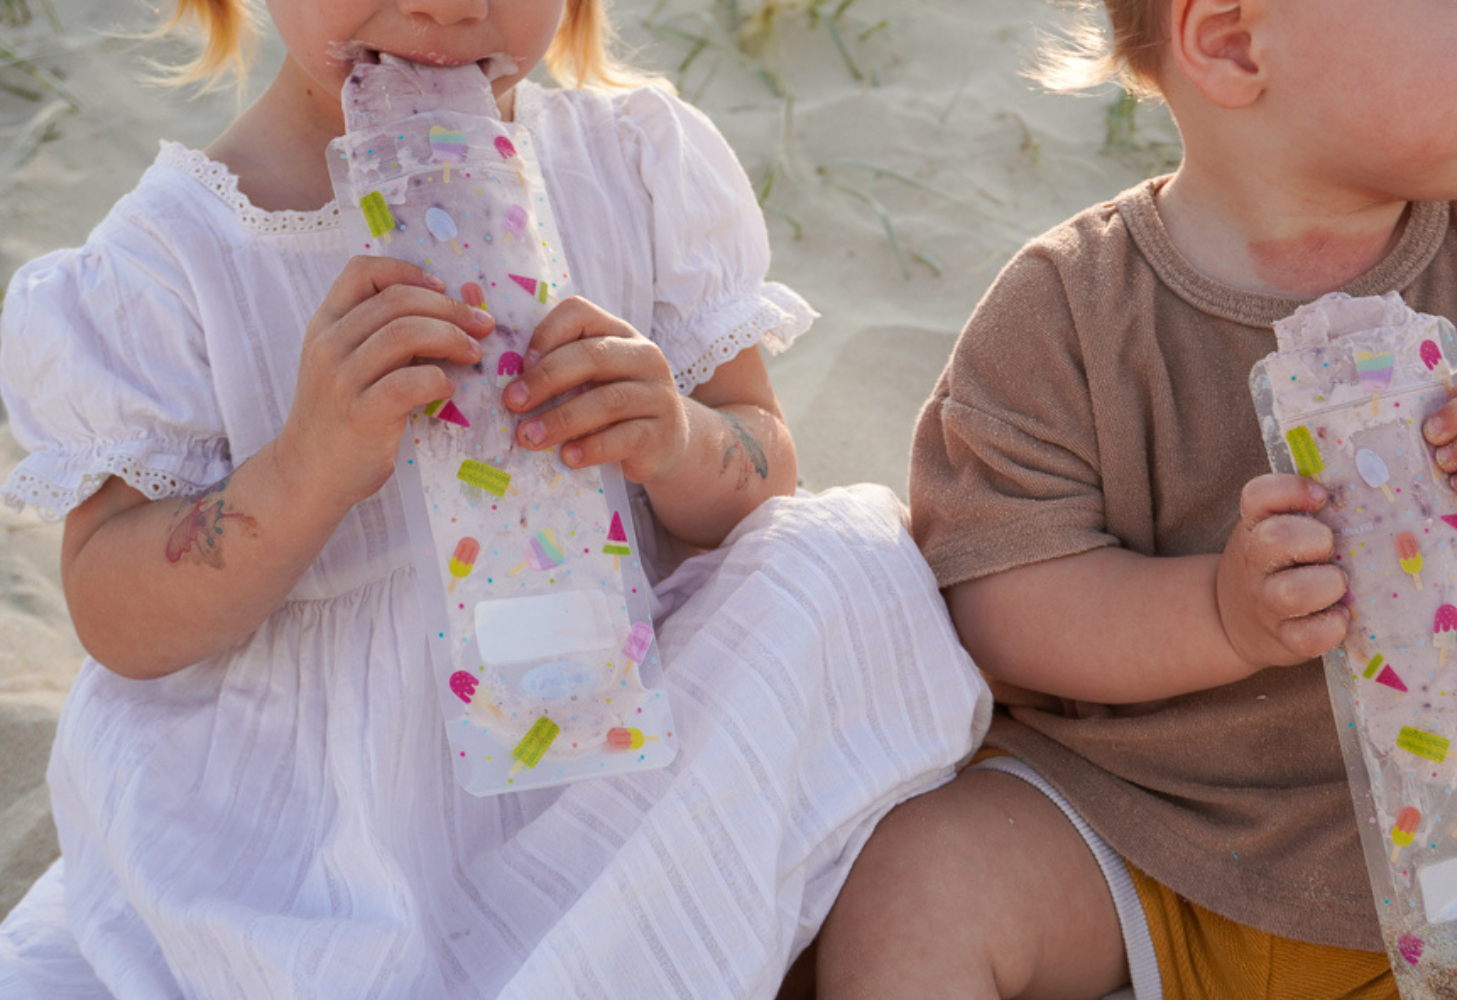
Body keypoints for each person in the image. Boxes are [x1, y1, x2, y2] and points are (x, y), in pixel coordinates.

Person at [0, 1, 989, 996]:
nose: (447, 7)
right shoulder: (174, 260)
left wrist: (677, 438)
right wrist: (302, 468)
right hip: (323, 817)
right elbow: (114, 609)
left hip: (603, 742)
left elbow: (764, 469)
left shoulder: (631, 167)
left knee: (843, 556)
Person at [816, 0, 1457, 997]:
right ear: (1235, 42)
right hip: (1144, 835)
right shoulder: (1068, 308)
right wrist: (1217, 614)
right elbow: (999, 600)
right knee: (917, 887)